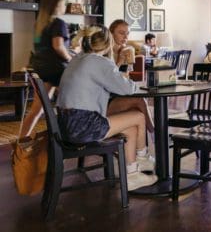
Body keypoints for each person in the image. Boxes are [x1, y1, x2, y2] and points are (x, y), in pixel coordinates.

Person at [57, 26, 157, 191]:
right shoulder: (98, 62)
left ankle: (132, 174)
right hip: (83, 126)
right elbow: (127, 89)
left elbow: (104, 80)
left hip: (65, 124)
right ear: (108, 43)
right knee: (138, 116)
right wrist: (130, 80)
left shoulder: (77, 59)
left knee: (131, 127)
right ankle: (143, 158)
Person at [19, 0, 72, 137]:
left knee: (37, 109)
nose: (64, 6)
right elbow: (58, 46)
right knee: (72, 104)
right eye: (63, 3)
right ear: (56, 5)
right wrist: (71, 59)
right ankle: (70, 135)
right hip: (58, 70)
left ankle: (21, 140)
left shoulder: (40, 24)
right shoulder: (58, 23)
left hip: (41, 70)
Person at [108, 20, 154, 133]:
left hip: (118, 95)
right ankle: (154, 133)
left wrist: (126, 62)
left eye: (127, 33)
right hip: (105, 100)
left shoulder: (126, 50)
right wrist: (119, 61)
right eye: (121, 33)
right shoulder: (106, 52)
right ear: (111, 33)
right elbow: (109, 79)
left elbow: (125, 78)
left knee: (138, 110)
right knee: (140, 100)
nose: (125, 36)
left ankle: (140, 147)